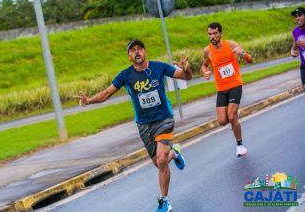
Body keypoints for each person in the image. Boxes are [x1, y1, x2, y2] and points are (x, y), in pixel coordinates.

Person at [76, 39, 192, 212]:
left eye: (140, 49)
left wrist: (187, 69)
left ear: (145, 52)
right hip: (144, 124)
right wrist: (90, 100)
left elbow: (186, 77)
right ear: (129, 56)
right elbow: (108, 93)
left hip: (164, 119)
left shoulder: (159, 67)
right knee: (159, 163)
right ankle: (174, 153)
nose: (137, 52)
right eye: (133, 50)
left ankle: (163, 201)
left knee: (161, 161)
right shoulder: (125, 75)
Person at [201, 22, 253, 157]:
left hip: (235, 85)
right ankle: (234, 113)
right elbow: (204, 65)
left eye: (215, 33)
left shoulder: (230, 44)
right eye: (210, 34)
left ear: (220, 34)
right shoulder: (207, 51)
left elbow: (250, 60)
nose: (212, 36)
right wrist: (205, 72)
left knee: (231, 116)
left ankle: (240, 145)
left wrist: (243, 54)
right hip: (221, 89)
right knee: (222, 121)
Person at [290, 7, 305, 91]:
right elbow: (295, 46)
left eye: (300, 15)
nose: (297, 18)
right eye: (296, 16)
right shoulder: (295, 31)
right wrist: (293, 51)